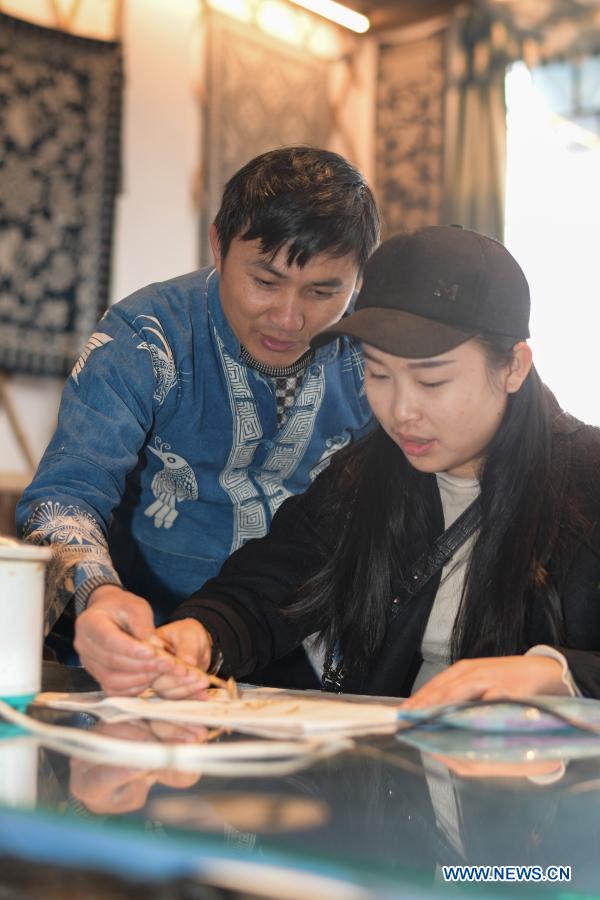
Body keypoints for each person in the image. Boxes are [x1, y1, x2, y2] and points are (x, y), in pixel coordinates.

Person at [127, 224, 600, 703]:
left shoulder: (589, 479)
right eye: (378, 373)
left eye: (432, 382)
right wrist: (200, 638)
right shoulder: (364, 475)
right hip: (394, 767)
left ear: (514, 366)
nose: (401, 411)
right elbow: (265, 591)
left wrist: (555, 674)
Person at [17, 146, 380, 693]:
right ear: (218, 245)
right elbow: (65, 493)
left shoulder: (371, 357)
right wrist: (99, 592)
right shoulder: (146, 338)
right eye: (265, 281)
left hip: (303, 655)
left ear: (358, 280)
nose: (288, 318)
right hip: (140, 647)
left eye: (323, 291)